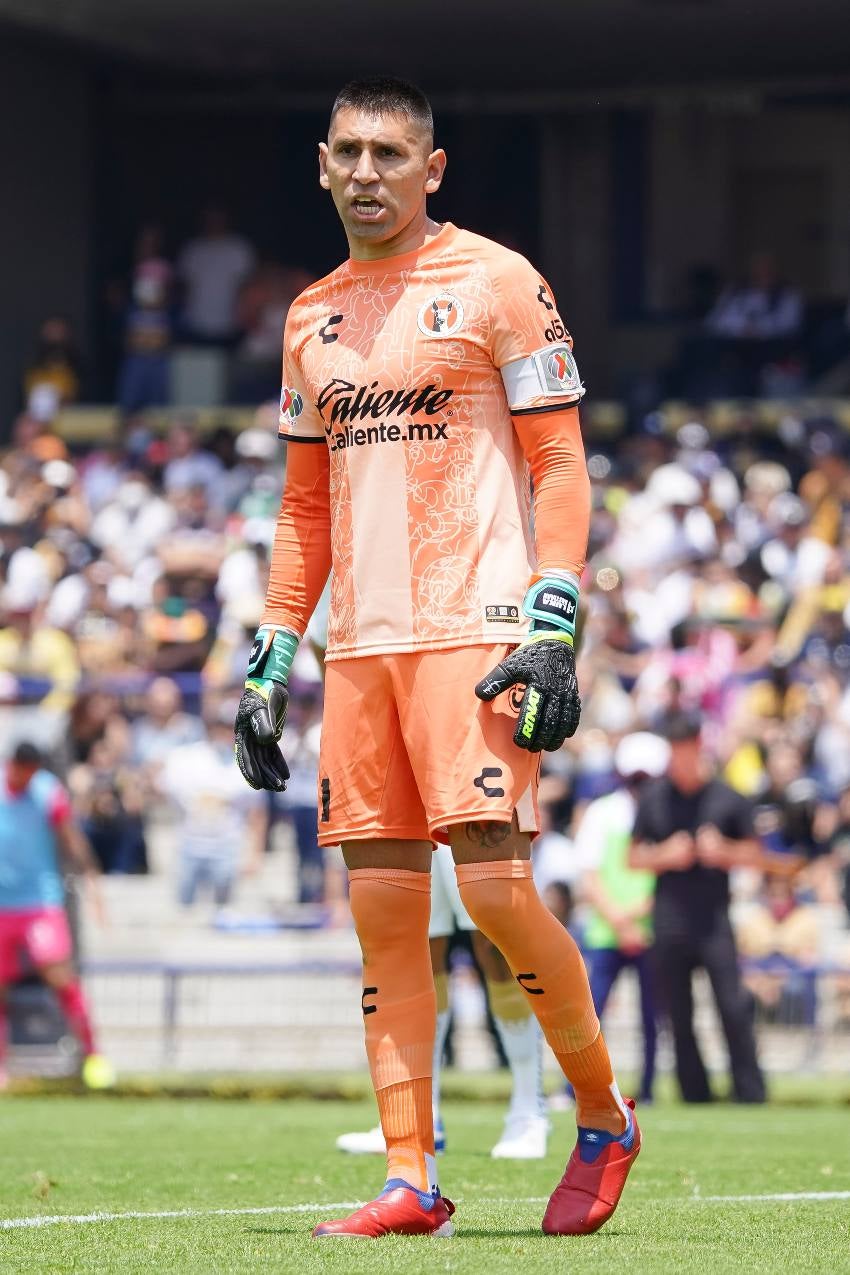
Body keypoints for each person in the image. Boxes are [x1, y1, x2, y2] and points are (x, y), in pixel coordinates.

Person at [233, 76, 639, 1240]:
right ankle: (413, 1177)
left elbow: (560, 466)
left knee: (500, 887)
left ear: (432, 168)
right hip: (359, 648)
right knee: (383, 916)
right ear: (321, 164)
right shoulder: (309, 314)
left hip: (478, 633)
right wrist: (272, 651)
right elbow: (303, 504)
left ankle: (604, 1116)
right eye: (349, 152)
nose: (368, 172)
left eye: (390, 153)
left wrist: (553, 618)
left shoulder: (499, 279)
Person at [336, 841, 549, 1160]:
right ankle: (419, 1115)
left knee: (494, 943)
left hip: (461, 799)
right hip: (408, 805)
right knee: (416, 942)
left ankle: (529, 1112)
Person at [629, 711, 767, 1104]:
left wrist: (723, 851)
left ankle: (749, 1092)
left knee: (732, 1007)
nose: (680, 761)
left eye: (685, 752)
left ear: (699, 748)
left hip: (714, 920)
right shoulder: (654, 797)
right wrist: (667, 855)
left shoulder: (728, 797)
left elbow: (757, 855)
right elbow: (634, 857)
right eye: (673, 753)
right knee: (678, 1014)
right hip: (669, 919)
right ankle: (694, 1093)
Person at [0, 742, 112, 1090]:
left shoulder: (48, 791)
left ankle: (93, 1054)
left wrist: (92, 883)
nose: (27, 777)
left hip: (39, 902)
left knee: (59, 973)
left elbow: (70, 837)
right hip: (3, 905)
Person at [574, 732, 667, 1105]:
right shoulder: (603, 812)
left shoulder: (661, 815)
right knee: (591, 1018)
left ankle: (648, 1088)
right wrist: (621, 918)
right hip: (608, 930)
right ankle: (579, 1087)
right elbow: (589, 874)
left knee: (651, 1019)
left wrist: (627, 917)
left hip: (640, 930)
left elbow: (666, 876)